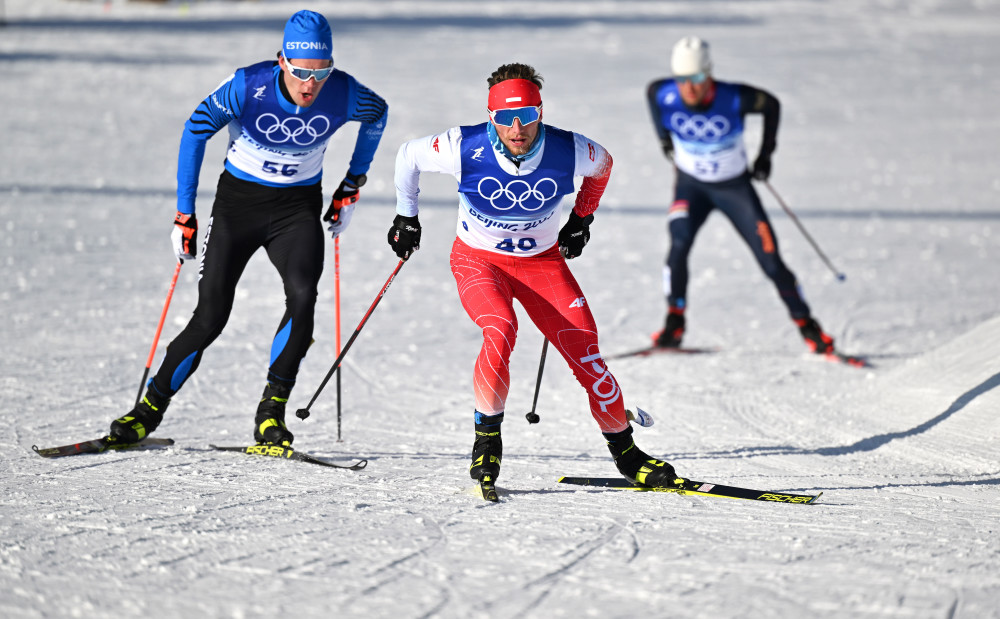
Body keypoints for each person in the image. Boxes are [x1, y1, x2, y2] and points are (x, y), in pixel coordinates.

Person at [388, 62, 685, 492]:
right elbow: (407, 157)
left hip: (541, 263)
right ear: (490, 116)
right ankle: (487, 441)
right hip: (479, 261)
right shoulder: (462, 145)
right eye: (505, 118)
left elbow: (603, 166)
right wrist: (406, 215)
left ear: (540, 112)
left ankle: (627, 454)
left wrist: (582, 219)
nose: (517, 128)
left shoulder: (569, 149)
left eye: (526, 116)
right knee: (501, 329)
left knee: (587, 351)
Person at [108, 10, 388, 447]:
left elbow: (378, 115)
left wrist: (352, 183)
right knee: (211, 316)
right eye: (301, 71)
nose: (311, 83)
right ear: (282, 61)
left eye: (321, 71)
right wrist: (185, 213)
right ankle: (148, 411)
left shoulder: (346, 92)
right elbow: (195, 131)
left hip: (296, 210)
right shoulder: (246, 85)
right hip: (238, 206)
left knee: (303, 298)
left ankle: (270, 412)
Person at [647, 36, 835, 354]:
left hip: (734, 189)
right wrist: (664, 139)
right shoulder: (662, 93)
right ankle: (674, 321)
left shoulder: (735, 97)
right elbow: (652, 96)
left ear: (709, 73)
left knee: (771, 260)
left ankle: (807, 325)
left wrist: (765, 156)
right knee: (678, 246)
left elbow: (772, 105)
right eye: (682, 80)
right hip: (691, 187)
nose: (689, 88)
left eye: (696, 79)